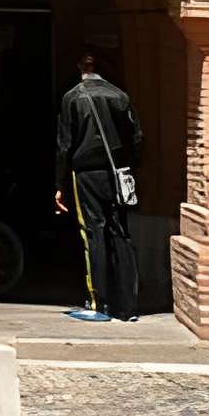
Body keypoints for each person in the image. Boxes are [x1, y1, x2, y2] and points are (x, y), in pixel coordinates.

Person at [54, 50, 143, 323]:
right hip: (118, 174)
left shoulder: (73, 98)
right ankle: (128, 307)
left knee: (94, 233)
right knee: (121, 234)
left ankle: (99, 303)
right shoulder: (120, 96)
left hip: (86, 174)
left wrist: (60, 185)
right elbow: (136, 137)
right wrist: (130, 168)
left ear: (80, 68)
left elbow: (65, 145)